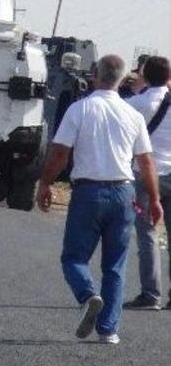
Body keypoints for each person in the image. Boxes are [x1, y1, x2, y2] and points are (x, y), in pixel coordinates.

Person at [36, 54, 163, 345]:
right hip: (123, 192)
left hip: (88, 191)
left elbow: (59, 153)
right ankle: (109, 330)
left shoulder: (79, 109)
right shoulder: (133, 114)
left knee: (74, 257)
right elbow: (146, 162)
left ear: (95, 75)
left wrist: (45, 183)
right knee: (115, 265)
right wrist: (154, 200)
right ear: (122, 79)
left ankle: (87, 295)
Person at [123, 56, 171, 311]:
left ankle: (151, 294)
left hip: (146, 173)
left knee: (148, 234)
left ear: (145, 74)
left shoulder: (138, 102)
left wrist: (135, 85)